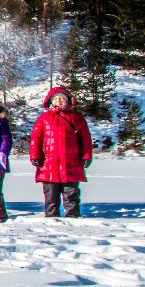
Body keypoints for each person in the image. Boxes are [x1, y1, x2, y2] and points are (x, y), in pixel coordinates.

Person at [30, 85, 93, 217]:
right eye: (56, 99)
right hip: (49, 162)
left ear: (68, 100)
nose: (59, 101)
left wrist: (86, 156)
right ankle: (51, 216)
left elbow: (85, 139)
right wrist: (35, 155)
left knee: (72, 193)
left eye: (62, 98)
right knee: (51, 194)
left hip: (72, 162)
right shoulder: (44, 118)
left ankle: (73, 215)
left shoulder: (77, 118)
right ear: (51, 101)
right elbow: (36, 138)